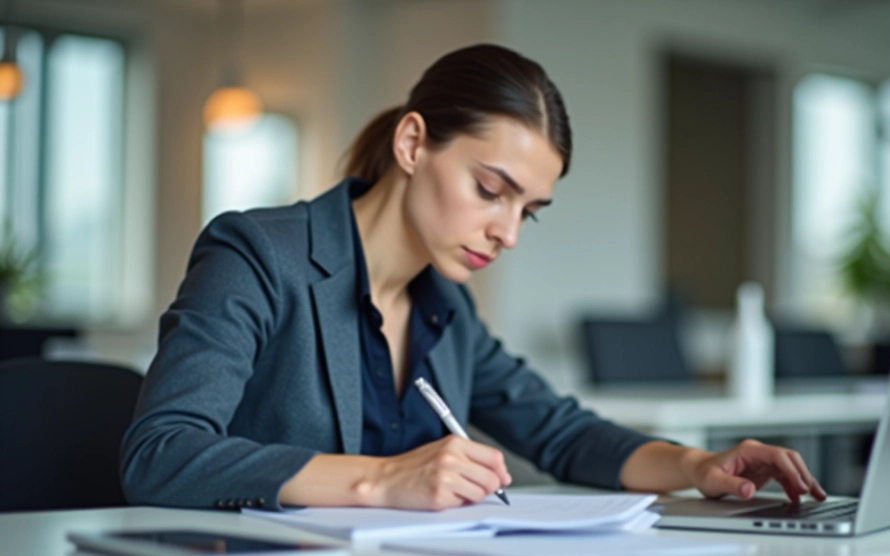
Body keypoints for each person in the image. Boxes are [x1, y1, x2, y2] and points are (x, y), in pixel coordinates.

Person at [121, 44, 827, 512]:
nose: (509, 232)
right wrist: (379, 480)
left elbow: (562, 433)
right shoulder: (259, 254)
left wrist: (700, 467)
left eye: (530, 211)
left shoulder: (445, 308)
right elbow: (161, 454)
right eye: (492, 189)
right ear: (412, 143)